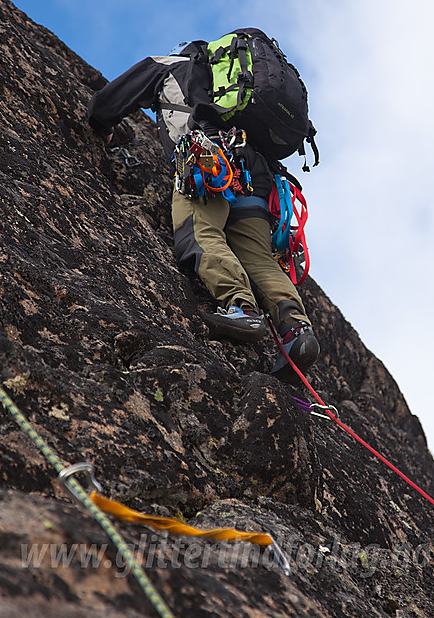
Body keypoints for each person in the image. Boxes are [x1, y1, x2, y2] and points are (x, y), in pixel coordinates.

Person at [87, 33, 319, 383]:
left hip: (209, 158)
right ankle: (297, 330)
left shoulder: (171, 67)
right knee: (258, 255)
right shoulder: (238, 90)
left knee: (199, 231)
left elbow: (105, 105)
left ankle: (240, 307)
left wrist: (102, 128)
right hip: (258, 173)